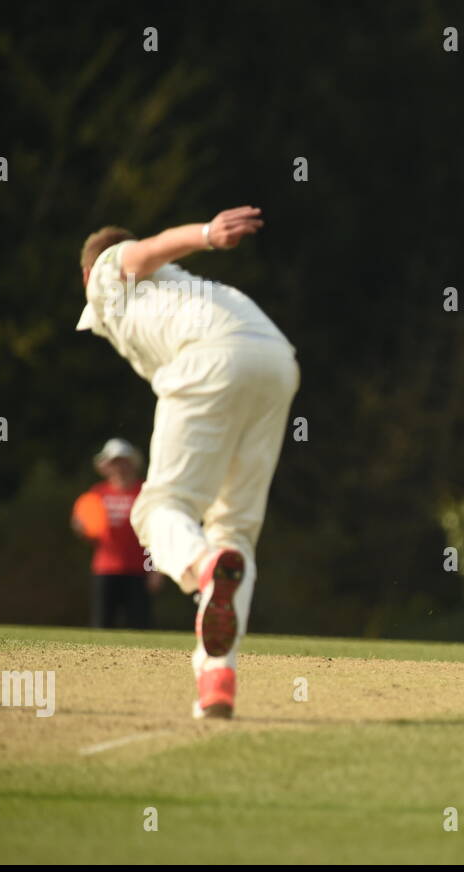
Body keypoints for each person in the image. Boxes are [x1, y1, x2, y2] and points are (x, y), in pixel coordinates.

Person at [76, 207, 299, 718]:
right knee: (235, 532)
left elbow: (141, 250)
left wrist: (205, 234)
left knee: (157, 510)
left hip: (212, 355)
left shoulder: (107, 273)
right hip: (275, 360)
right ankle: (216, 680)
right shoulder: (181, 290)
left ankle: (201, 567)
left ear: (87, 274)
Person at [71, 438, 162, 629]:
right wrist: (81, 529)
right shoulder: (97, 494)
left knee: (140, 627)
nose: (120, 467)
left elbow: (156, 534)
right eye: (114, 462)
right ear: (106, 466)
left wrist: (155, 570)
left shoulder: (144, 493)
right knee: (102, 625)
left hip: (138, 570)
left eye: (124, 461)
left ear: (133, 463)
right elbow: (91, 530)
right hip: (105, 570)